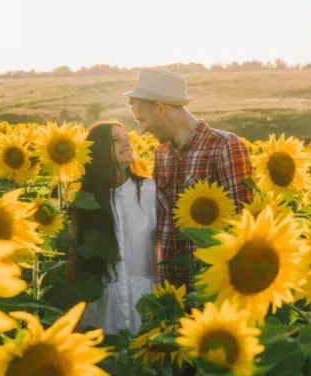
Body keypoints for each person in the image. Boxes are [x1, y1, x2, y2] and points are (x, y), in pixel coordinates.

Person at [123, 68, 254, 293]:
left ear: (160, 108)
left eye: (142, 120)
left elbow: (244, 222)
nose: (142, 130)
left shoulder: (224, 146)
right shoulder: (162, 152)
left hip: (209, 286)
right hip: (170, 290)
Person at [66, 121, 158, 335]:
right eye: (115, 140)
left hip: (147, 303)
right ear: (98, 152)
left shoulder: (150, 190)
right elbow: (77, 259)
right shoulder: (85, 201)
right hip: (102, 309)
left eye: (126, 137)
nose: (126, 143)